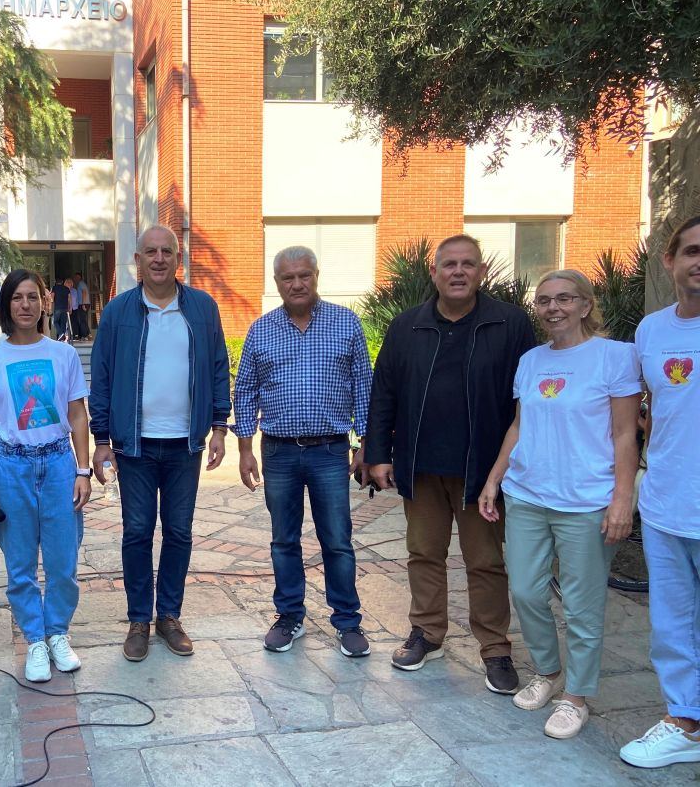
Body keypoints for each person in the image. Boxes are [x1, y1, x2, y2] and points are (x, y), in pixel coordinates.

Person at [365, 234, 536, 693]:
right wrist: (378, 453)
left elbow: (526, 401)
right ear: (434, 272)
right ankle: (426, 632)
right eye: (449, 265)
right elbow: (384, 393)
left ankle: (495, 648)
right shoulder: (408, 326)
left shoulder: (509, 323)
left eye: (467, 264)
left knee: (485, 561)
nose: (458, 272)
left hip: (482, 471)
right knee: (424, 553)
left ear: (481, 272)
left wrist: (512, 464)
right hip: (421, 466)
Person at [479, 270, 641, 738]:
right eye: (544, 300)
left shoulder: (615, 356)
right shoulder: (531, 360)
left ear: (586, 305)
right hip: (528, 494)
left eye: (565, 299)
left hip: (587, 501)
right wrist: (494, 478)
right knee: (526, 591)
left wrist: (622, 499)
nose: (553, 308)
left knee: (582, 605)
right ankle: (548, 672)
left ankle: (577, 696)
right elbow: (519, 426)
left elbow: (625, 434)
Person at [90, 225, 231, 662]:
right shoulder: (118, 312)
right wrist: (101, 439)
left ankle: (168, 616)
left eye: (166, 251)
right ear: (138, 260)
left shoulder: (202, 308)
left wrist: (219, 426)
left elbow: (218, 366)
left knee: (179, 532)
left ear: (178, 257)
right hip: (134, 446)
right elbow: (102, 375)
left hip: (185, 444)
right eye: (150, 252)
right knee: (136, 532)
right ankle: (138, 619)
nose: (158, 259)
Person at [234, 246, 373, 658]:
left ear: (316, 275)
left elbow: (364, 387)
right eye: (287, 277)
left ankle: (347, 622)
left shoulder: (346, 323)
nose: (296, 284)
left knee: (337, 540)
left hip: (330, 452)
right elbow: (245, 391)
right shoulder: (261, 330)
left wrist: (366, 444)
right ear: (277, 282)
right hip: (279, 454)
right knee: (284, 540)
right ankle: (289, 615)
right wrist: (245, 449)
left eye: (304, 275)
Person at [0, 269, 91, 682]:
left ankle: (57, 632)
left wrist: (82, 470)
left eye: (33, 297)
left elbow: (77, 415)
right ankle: (35, 640)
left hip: (58, 465)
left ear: (45, 302)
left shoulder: (63, 355)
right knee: (20, 565)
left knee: (63, 561)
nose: (25, 305)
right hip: (10, 468)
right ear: (7, 305)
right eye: (17, 298)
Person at [620, 216, 700, 768]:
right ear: (669, 261)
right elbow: (648, 407)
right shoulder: (651, 331)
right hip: (668, 501)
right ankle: (685, 722)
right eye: (692, 251)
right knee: (672, 624)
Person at [50, 277, 72, 342]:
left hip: (57, 308)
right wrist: (70, 308)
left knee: (55, 322)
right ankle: (62, 336)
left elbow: (52, 298)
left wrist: (50, 307)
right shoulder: (66, 289)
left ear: (55, 282)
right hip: (65, 308)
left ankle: (61, 334)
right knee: (63, 323)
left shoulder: (54, 288)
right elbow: (69, 299)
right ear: (62, 282)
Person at [73, 272, 91, 340]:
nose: (75, 278)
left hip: (83, 304)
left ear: (79, 277)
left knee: (82, 320)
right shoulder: (80, 284)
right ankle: (87, 334)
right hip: (83, 304)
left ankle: (85, 335)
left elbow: (84, 292)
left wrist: (83, 304)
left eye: (76, 277)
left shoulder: (81, 283)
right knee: (82, 319)